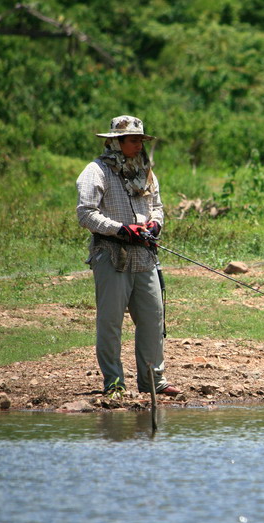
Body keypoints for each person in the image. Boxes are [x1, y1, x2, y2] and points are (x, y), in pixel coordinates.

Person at [76, 115, 181, 397]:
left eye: (140, 140)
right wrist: (121, 229)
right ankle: (114, 382)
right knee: (110, 322)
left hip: (145, 257)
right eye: (133, 140)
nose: (138, 145)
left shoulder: (146, 171)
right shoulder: (95, 171)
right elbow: (86, 214)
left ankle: (153, 381)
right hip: (111, 254)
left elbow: (156, 206)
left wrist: (155, 224)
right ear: (116, 142)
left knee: (153, 318)